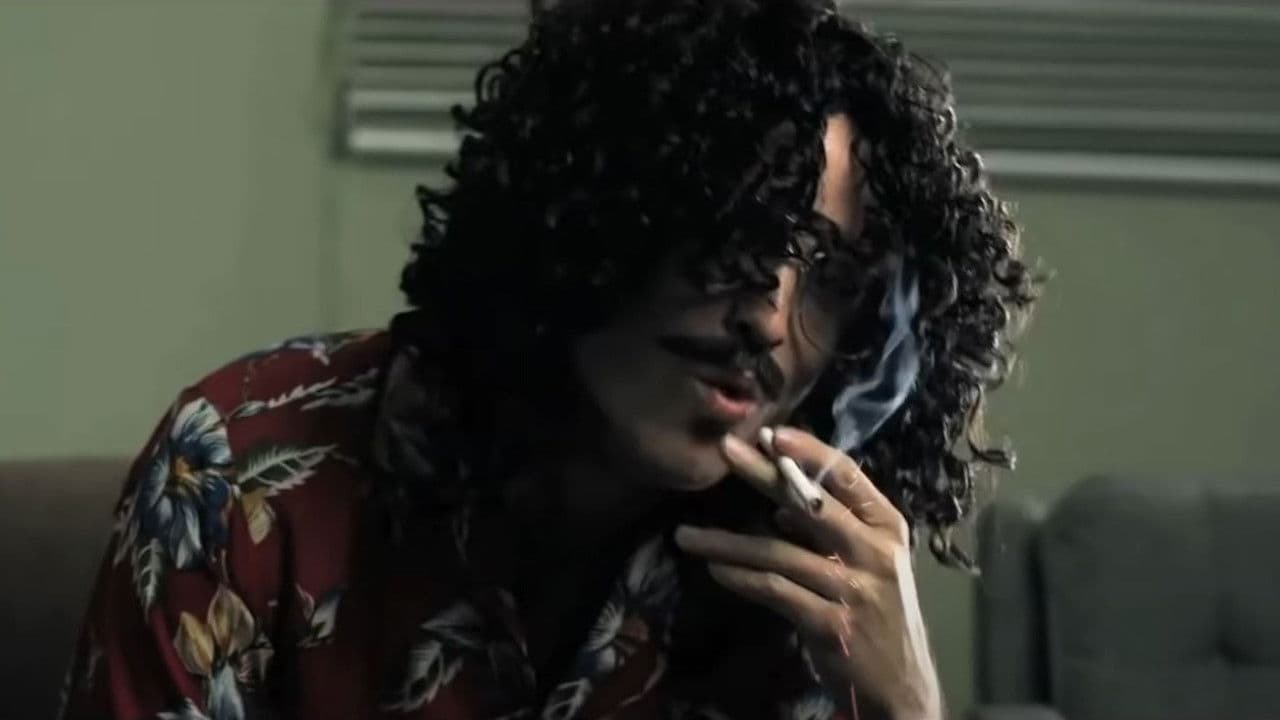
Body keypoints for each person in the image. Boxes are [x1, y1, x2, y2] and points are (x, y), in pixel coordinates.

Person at [59, 1, 1037, 718]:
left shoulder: (803, 589)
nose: (769, 319)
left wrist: (907, 705)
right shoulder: (243, 468)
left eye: (832, 277)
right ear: (594, 213)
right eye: (738, 229)